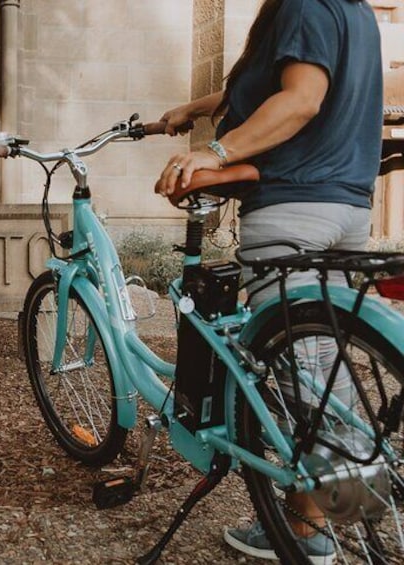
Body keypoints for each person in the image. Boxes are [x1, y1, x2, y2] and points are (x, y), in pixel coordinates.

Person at [155, 0, 382, 561]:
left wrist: (215, 148)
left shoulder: (304, 3)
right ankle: (346, 508)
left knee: (297, 376)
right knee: (324, 366)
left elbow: (301, 99)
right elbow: (273, 84)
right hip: (346, 209)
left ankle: (314, 531)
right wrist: (196, 108)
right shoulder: (351, 10)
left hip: (292, 207)